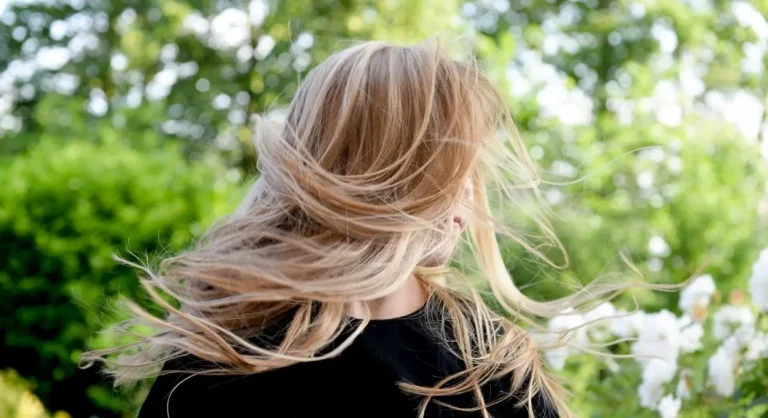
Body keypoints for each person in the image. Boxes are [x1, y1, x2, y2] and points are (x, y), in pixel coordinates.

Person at [85, 40, 624, 418]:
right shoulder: (230, 357)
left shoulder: (489, 360)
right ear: (389, 173)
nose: (470, 188)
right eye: (454, 162)